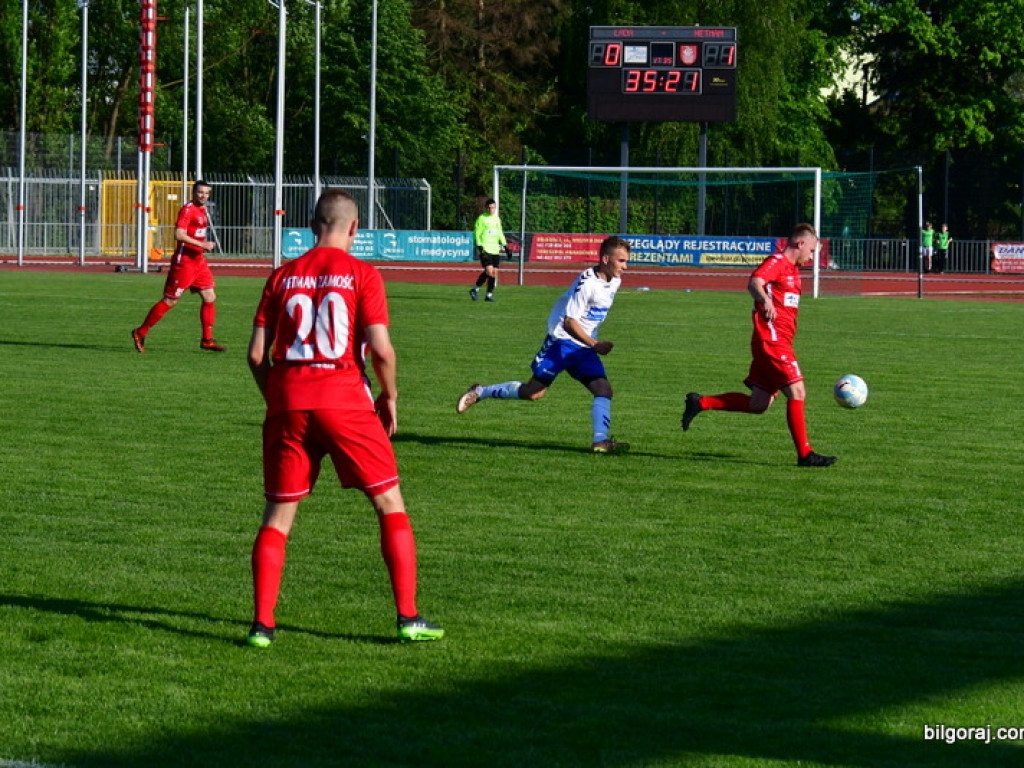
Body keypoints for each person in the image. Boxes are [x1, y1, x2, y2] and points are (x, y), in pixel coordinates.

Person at [245, 188, 443, 648]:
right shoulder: (362, 273)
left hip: (289, 403)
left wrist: (277, 397)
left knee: (277, 516)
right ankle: (408, 618)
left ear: (313, 224)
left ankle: (261, 625)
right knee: (390, 505)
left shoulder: (280, 276)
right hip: (346, 401)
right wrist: (390, 397)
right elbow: (381, 349)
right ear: (354, 227)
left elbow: (257, 356)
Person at [456, 235, 631, 454]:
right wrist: (595, 343)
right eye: (621, 261)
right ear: (606, 259)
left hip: (583, 347)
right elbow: (569, 322)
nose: (626, 266)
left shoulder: (614, 280)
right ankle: (481, 391)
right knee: (534, 393)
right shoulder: (587, 284)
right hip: (562, 342)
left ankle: (600, 441)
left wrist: (590, 343)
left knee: (603, 389)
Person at [681, 223, 836, 467]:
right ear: (800, 243)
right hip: (771, 340)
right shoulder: (777, 261)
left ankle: (701, 402)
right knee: (798, 392)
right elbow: (755, 282)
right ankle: (805, 454)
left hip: (777, 341)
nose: (812, 256)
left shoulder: (794, 271)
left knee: (759, 404)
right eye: (813, 250)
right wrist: (765, 300)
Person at [131, 180, 226, 353]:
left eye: (206, 193)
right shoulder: (187, 210)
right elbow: (179, 234)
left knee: (210, 296)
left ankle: (207, 340)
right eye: (200, 192)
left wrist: (201, 247)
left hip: (198, 261)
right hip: (185, 263)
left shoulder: (203, 209)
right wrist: (202, 244)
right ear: (193, 192)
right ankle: (140, 331)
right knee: (170, 300)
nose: (203, 196)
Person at [469, 198, 507, 302]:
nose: (491, 209)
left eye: (493, 207)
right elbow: (477, 232)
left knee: (494, 272)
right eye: (489, 207)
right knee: (489, 272)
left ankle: (488, 295)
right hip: (485, 249)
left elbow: (500, 232)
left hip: (495, 249)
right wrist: (479, 246)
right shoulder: (481, 219)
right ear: (486, 208)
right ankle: (475, 289)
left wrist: (505, 246)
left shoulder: (497, 219)